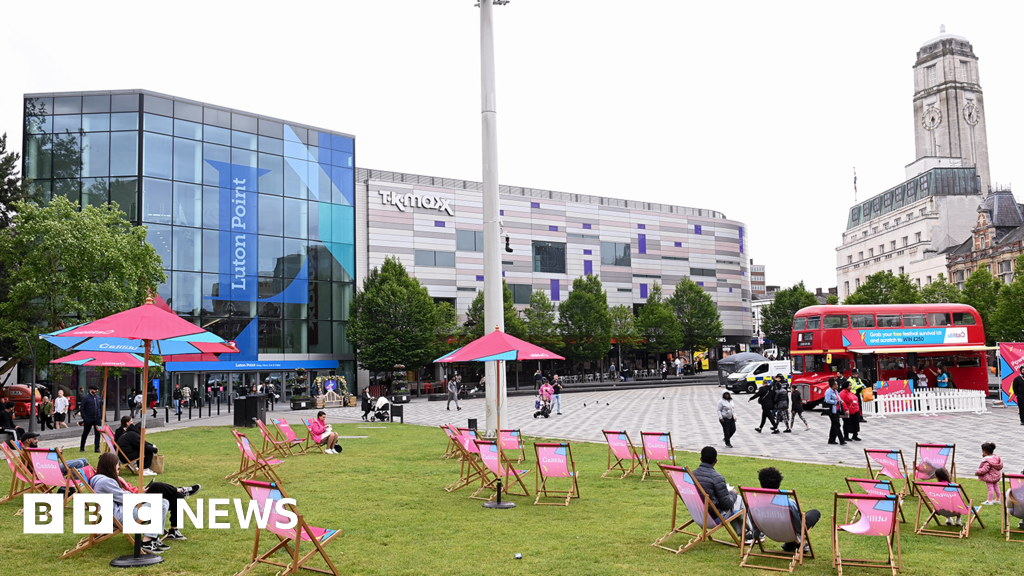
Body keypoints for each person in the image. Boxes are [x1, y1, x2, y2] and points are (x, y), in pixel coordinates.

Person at [89, 453, 184, 552]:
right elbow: (125, 498)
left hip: (123, 511)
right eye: (117, 469)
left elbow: (121, 496)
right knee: (160, 503)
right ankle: (147, 542)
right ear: (109, 467)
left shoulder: (103, 480)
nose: (118, 472)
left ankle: (153, 538)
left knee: (163, 501)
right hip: (121, 517)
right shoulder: (104, 482)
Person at [692, 446, 754, 542]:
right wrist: (733, 493)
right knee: (738, 499)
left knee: (734, 503)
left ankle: (745, 533)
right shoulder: (717, 477)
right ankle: (753, 533)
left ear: (701, 459)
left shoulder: (691, 475)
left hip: (696, 514)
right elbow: (727, 505)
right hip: (712, 518)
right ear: (716, 461)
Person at [757, 466, 819, 553]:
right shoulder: (788, 503)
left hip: (768, 532)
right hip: (788, 532)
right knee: (815, 513)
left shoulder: (755, 502)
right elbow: (799, 525)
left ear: (761, 484)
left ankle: (790, 544)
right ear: (779, 485)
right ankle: (798, 543)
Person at [20, 431, 89, 476]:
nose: (37, 441)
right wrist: (55, 454)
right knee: (79, 463)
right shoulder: (28, 452)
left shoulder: (30, 450)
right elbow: (40, 464)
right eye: (35, 439)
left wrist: (56, 455)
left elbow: (43, 460)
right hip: (48, 470)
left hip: (50, 466)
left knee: (83, 460)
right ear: (28, 440)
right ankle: (67, 487)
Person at [80, 383, 103, 453]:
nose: (96, 391)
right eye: (95, 389)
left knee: (98, 433)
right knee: (85, 433)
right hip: (89, 418)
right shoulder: (85, 398)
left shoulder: (98, 397)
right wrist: (85, 417)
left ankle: (97, 448)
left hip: (97, 418)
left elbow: (100, 407)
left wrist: (101, 415)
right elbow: (82, 408)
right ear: (90, 390)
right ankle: (82, 447)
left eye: (97, 389)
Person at [824, 378, 846, 445]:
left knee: (834, 425)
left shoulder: (836, 391)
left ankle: (831, 440)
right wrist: (835, 402)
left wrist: (840, 401)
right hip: (832, 411)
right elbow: (827, 400)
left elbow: (839, 397)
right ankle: (841, 440)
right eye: (836, 384)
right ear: (833, 385)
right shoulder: (828, 391)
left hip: (837, 410)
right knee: (837, 425)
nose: (838, 386)